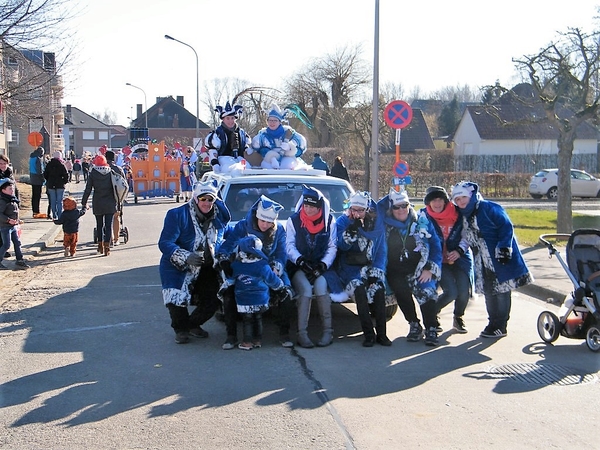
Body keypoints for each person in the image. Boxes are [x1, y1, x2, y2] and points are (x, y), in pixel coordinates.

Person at [451, 181, 533, 338]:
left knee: (502, 291)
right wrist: (461, 249)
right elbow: (467, 236)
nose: (461, 202)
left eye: (463, 198)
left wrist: (504, 247)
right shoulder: (463, 215)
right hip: (481, 259)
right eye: (457, 200)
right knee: (489, 291)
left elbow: (506, 226)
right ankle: (492, 322)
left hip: (498, 256)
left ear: (471, 196)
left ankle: (501, 325)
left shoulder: (488, 207)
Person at [216, 195, 295, 349]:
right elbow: (227, 245)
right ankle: (231, 335)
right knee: (228, 294)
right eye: (262, 220)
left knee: (286, 293)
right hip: (244, 266)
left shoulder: (279, 230)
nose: (265, 225)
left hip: (269, 268)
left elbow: (281, 253)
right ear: (256, 216)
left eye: (269, 222)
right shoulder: (242, 226)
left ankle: (284, 333)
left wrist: (277, 267)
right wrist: (224, 260)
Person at [158, 180, 231, 344]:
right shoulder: (177, 215)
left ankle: (191, 325)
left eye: (210, 199)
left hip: (206, 267)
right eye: (203, 199)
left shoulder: (219, 218)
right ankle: (181, 330)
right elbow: (165, 243)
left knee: (213, 300)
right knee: (176, 298)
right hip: (177, 266)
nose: (207, 203)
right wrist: (186, 256)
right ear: (196, 199)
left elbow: (229, 234)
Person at [376, 187, 442, 346]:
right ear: (391, 209)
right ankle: (414, 324)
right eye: (396, 206)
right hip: (395, 270)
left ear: (409, 205)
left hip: (419, 268)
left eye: (404, 205)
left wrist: (429, 268)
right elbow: (376, 208)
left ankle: (431, 327)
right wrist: (392, 193)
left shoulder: (421, 221)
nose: (401, 210)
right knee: (401, 292)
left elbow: (436, 245)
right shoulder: (384, 224)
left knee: (426, 291)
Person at [332, 191, 390, 347]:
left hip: (370, 267)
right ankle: (369, 334)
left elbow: (381, 251)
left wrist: (375, 272)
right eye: (353, 209)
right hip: (350, 269)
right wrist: (351, 231)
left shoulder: (376, 225)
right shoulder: (343, 221)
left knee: (378, 290)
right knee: (359, 291)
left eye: (360, 210)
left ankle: (382, 334)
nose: (356, 214)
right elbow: (341, 247)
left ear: (367, 210)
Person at [286, 185, 337, 348]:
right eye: (306, 206)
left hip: (320, 266)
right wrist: (300, 260)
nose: (308, 210)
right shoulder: (293, 220)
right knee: (306, 290)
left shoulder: (329, 221)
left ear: (319, 207)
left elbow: (332, 246)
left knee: (322, 288)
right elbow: (289, 245)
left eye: (312, 207)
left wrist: (323, 265)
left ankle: (328, 332)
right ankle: (302, 334)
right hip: (299, 265)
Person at [422, 186, 474, 333]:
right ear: (428, 203)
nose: (437, 204)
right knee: (451, 291)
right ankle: (432, 314)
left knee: (464, 290)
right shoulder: (424, 217)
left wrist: (459, 251)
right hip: (439, 261)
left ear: (445, 201)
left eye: (440, 200)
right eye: (433, 201)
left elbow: (467, 235)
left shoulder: (458, 213)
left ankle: (458, 317)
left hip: (459, 258)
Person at [231, 236, 286, 350]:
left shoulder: (236, 265)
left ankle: (247, 342)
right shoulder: (263, 265)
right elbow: (273, 281)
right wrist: (281, 287)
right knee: (258, 318)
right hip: (261, 299)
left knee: (247, 320)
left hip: (244, 299)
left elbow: (229, 279)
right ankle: (257, 340)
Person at [81, 154, 119, 256]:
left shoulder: (93, 173)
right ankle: (107, 247)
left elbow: (88, 189)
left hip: (98, 202)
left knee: (99, 225)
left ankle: (100, 245)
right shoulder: (110, 172)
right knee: (108, 225)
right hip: (110, 202)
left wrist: (84, 202)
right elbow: (116, 187)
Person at [250, 103, 307, 170]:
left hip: (287, 161)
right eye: (270, 120)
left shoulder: (289, 132)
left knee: (287, 165)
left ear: (280, 122)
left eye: (275, 120)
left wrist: (290, 148)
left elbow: (300, 149)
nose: (272, 123)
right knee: (267, 166)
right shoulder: (262, 136)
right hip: (269, 162)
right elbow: (257, 150)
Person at [205, 101, 250, 173]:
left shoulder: (241, 132)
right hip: (224, 159)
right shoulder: (217, 133)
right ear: (223, 119)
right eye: (228, 118)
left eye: (232, 118)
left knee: (247, 168)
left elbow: (245, 147)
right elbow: (213, 151)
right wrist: (215, 163)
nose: (230, 121)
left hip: (239, 159)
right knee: (232, 169)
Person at [0, 178, 30, 270]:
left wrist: (18, 220)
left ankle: (19, 260)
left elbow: (14, 212)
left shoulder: (12, 199)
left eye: (12, 188)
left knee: (17, 242)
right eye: (10, 189)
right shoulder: (3, 201)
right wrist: (8, 220)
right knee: (6, 245)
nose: (12, 190)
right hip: (5, 226)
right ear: (3, 190)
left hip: (13, 226)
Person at [105, 150, 126, 247]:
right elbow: (124, 183)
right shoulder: (118, 169)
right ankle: (117, 239)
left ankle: (110, 238)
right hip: (117, 196)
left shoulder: (103, 169)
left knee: (107, 218)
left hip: (105, 196)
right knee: (116, 217)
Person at [43, 151, 69, 220]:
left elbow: (45, 174)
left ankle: (54, 215)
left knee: (53, 201)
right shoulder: (62, 165)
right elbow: (66, 175)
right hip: (60, 185)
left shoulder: (49, 164)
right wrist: (64, 182)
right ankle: (59, 215)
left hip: (51, 185)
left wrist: (49, 180)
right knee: (59, 201)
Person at [29, 146, 46, 218]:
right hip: (37, 179)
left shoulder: (31, 157)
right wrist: (43, 179)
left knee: (34, 196)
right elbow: (39, 170)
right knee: (37, 196)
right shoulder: (38, 158)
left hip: (32, 178)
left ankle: (34, 211)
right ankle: (37, 211)